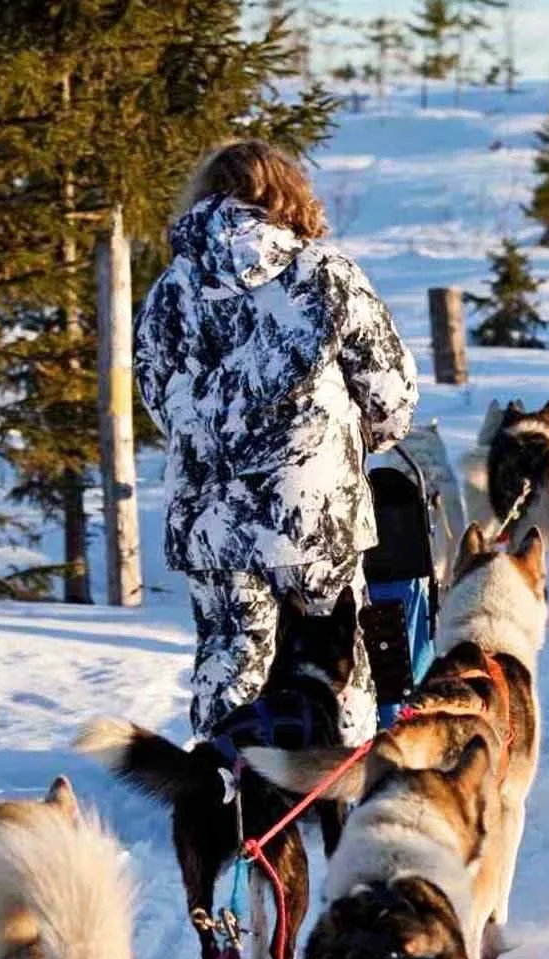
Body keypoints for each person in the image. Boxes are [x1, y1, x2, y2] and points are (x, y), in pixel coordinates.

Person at [134, 140, 419, 744]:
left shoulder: (169, 292)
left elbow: (161, 400)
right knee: (339, 659)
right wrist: (358, 439)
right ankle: (336, 790)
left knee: (230, 657)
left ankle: (228, 797)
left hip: (211, 518)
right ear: (287, 193)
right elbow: (390, 397)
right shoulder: (326, 276)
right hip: (315, 513)